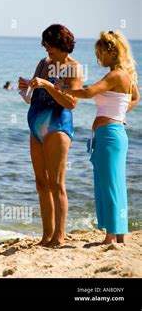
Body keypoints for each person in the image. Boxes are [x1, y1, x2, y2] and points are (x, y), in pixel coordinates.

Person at [56, 31, 139, 244]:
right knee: (111, 184)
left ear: (111, 52)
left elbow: (88, 92)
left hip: (110, 136)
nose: (98, 58)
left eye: (100, 53)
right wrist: (119, 114)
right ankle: (118, 233)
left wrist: (63, 88)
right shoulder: (124, 75)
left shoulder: (115, 75)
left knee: (110, 185)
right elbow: (135, 97)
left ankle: (111, 236)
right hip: (111, 133)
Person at [18, 24, 82, 247]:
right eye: (45, 44)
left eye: (51, 44)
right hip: (35, 124)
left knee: (56, 183)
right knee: (41, 182)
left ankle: (59, 237)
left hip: (57, 125)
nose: (47, 49)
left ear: (63, 44)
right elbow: (34, 93)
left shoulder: (73, 68)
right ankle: (46, 235)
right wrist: (27, 86)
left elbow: (71, 102)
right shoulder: (43, 63)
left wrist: (47, 84)